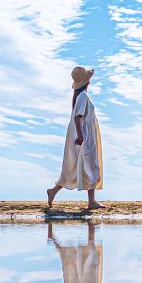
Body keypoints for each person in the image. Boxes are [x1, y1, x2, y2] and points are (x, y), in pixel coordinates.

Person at [47, 66, 104, 210]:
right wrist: (80, 135)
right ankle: (91, 202)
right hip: (85, 136)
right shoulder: (83, 96)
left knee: (76, 165)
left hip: (83, 134)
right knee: (92, 166)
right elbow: (78, 117)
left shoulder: (79, 97)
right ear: (87, 82)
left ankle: (53, 191)